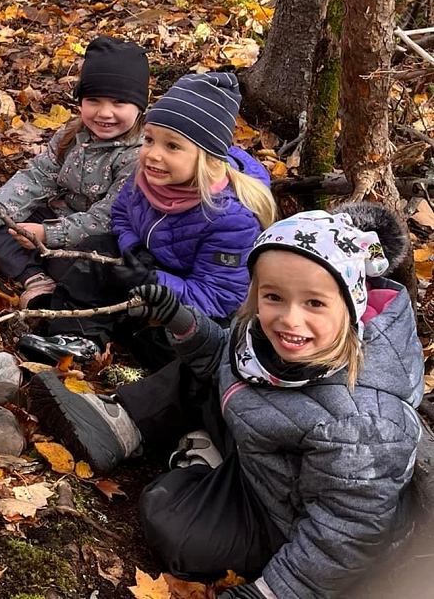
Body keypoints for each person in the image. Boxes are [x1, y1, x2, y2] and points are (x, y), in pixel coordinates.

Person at [28, 203, 423, 599]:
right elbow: (224, 360)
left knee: (174, 529)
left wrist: (274, 591)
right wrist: (181, 319)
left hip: (283, 512)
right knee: (211, 363)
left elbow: (343, 531)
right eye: (273, 297)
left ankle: (203, 461)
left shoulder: (362, 422)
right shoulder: (264, 333)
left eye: (314, 303)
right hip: (261, 448)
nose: (289, 318)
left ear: (352, 304)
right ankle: (122, 422)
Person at [18, 71, 276, 367]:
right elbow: (122, 215)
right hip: (146, 266)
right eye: (150, 140)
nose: (153, 155)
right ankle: (76, 338)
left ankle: (135, 370)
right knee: (97, 254)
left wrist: (155, 282)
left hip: (191, 297)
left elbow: (219, 297)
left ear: (208, 157)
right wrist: (133, 249)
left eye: (172, 146)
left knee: (171, 347)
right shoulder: (146, 177)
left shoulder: (230, 216)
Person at [0, 35, 148, 307]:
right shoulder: (72, 135)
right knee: (6, 226)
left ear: (139, 106)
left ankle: (52, 283)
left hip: (94, 237)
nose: (104, 112)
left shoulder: (137, 156)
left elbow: (106, 218)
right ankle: (34, 278)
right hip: (57, 214)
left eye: (118, 103)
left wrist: (49, 234)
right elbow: (37, 177)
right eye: (94, 100)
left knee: (84, 267)